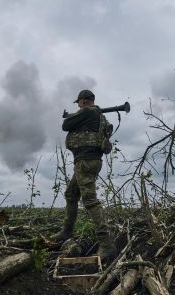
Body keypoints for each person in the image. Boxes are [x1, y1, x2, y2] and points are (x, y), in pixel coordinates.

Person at [52, 89, 116, 261]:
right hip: (90, 161)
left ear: (84, 101)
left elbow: (65, 125)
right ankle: (66, 232)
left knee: (90, 200)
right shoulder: (98, 115)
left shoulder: (88, 112)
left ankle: (107, 244)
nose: (78, 105)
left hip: (85, 161)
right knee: (71, 194)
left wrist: (76, 114)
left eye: (79, 102)